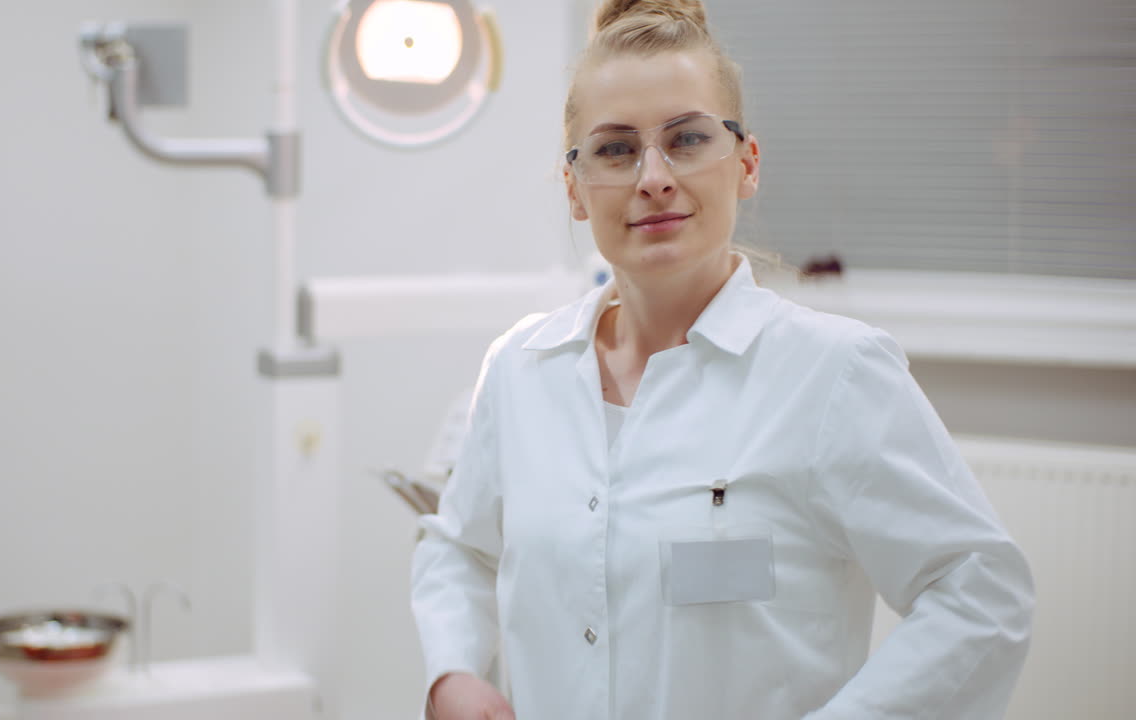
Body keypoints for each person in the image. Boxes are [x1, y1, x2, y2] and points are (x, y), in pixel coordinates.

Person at [410, 1, 1035, 717]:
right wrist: (452, 671)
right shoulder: (521, 369)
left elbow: (981, 589)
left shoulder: (834, 373)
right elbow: (459, 548)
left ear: (747, 163)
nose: (653, 176)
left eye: (687, 139)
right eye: (615, 149)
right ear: (574, 189)